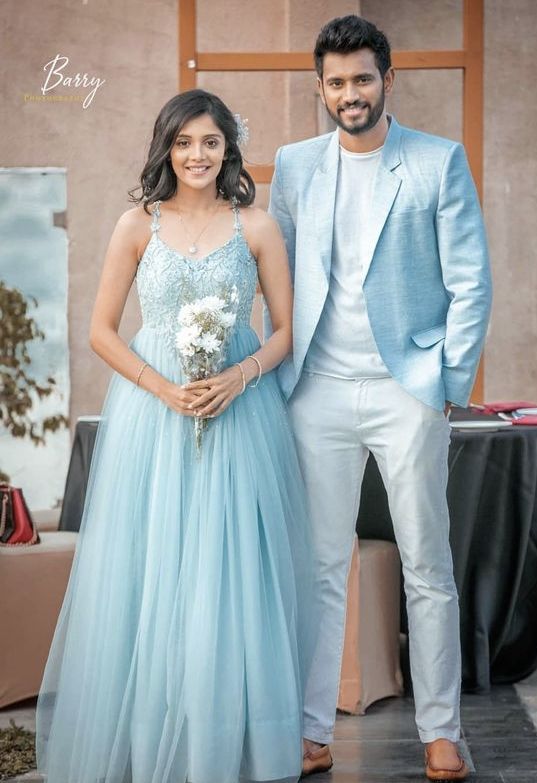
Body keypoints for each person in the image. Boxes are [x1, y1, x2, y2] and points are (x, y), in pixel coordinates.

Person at [35, 89, 315, 783]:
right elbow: (101, 330)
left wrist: (239, 375)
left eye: (211, 142)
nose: (197, 155)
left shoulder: (256, 226)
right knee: (151, 564)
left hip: (239, 414)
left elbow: (286, 331)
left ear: (229, 150)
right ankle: (147, 733)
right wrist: (161, 389)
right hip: (151, 416)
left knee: (230, 567)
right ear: (166, 146)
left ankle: (228, 739)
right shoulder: (137, 224)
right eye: (185, 142)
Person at [267, 15, 492, 782]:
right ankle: (310, 729)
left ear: (386, 80)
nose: (348, 93)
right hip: (317, 388)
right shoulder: (294, 166)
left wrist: (444, 384)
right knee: (320, 564)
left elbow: (470, 280)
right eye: (335, 82)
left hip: (407, 388)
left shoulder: (435, 161)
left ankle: (440, 731)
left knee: (427, 561)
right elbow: (278, 280)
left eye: (361, 78)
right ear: (320, 87)